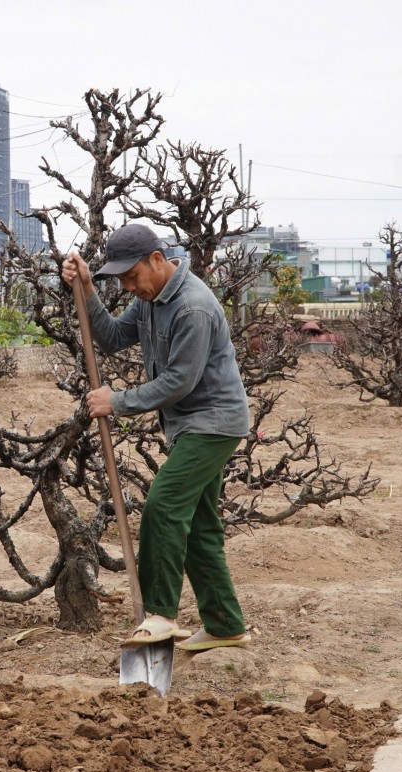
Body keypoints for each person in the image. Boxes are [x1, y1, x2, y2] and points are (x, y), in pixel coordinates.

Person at [62, 224, 252, 652]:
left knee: (164, 507)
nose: (129, 287)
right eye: (121, 281)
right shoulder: (150, 299)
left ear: (157, 260)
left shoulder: (193, 307)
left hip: (214, 424)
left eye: (132, 277)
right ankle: (225, 625)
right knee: (200, 528)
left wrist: (119, 400)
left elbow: (180, 381)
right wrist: (89, 288)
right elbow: (110, 338)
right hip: (190, 426)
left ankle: (161, 614)